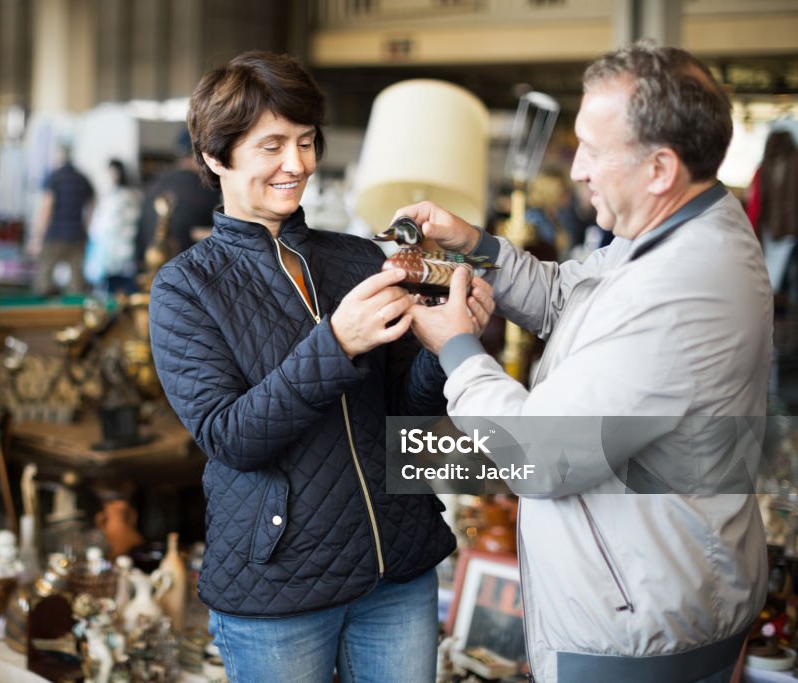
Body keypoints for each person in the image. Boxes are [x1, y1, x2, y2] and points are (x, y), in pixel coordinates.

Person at [403, 41, 771, 683]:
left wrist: (456, 346)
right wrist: (478, 247)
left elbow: (537, 455)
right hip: (649, 593)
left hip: (639, 634)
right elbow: (570, 297)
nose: (577, 171)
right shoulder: (672, 233)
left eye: (594, 151)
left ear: (659, 168)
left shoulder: (679, 288)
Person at [148, 51, 493, 683]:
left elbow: (406, 415)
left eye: (306, 143)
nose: (298, 164)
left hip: (399, 562)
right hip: (278, 586)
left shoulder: (356, 257)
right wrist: (335, 342)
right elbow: (230, 437)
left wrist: (450, 341)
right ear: (216, 156)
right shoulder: (185, 288)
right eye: (272, 144)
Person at [133, 127, 221, 275]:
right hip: (192, 280)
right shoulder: (208, 189)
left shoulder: (155, 185)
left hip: (152, 280)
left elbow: (139, 239)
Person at [29, 144, 95, 295]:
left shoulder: (55, 178)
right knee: (76, 283)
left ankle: (45, 315)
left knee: (44, 280)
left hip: (55, 235)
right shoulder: (82, 178)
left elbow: (47, 208)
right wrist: (86, 225)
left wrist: (38, 235)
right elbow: (92, 204)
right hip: (77, 234)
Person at [85, 159, 142, 294]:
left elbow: (128, 223)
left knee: (122, 288)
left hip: (122, 250)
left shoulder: (129, 195)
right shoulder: (109, 195)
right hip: (106, 251)